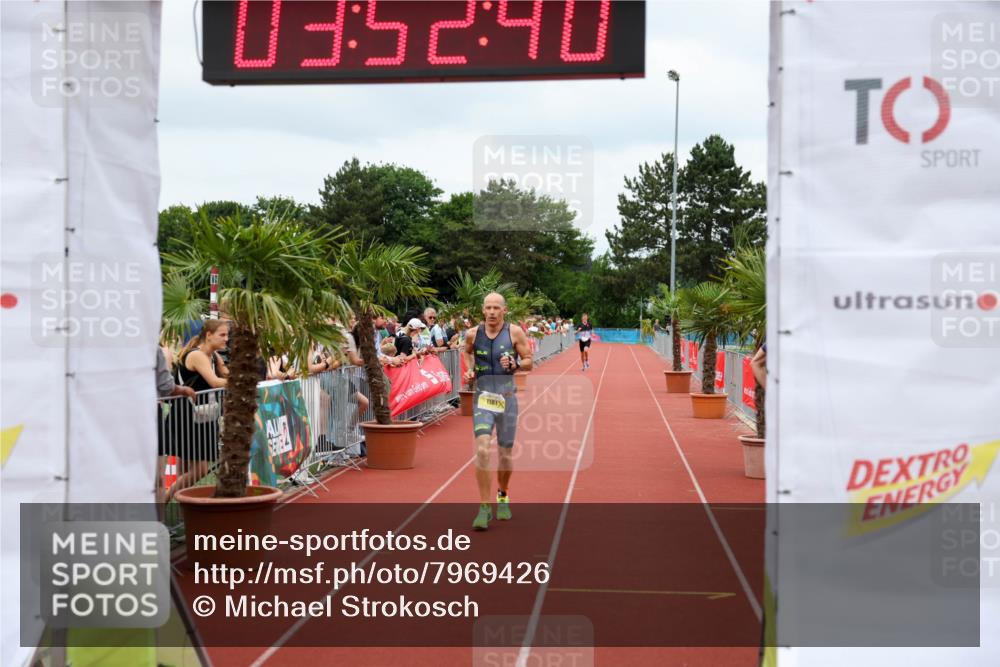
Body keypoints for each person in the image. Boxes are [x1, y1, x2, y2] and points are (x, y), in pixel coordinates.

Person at [463, 292, 534, 531]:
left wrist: (515, 364)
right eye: (488, 307)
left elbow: (529, 361)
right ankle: (484, 508)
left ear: (504, 310)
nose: (492, 312)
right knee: (482, 449)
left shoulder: (514, 332)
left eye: (496, 308)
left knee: (504, 454)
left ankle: (502, 495)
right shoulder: (473, 333)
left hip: (507, 399)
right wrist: (471, 370)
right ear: (482, 310)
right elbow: (467, 352)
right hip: (483, 399)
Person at [172, 319, 230, 499]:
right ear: (208, 335)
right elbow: (214, 382)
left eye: (227, 335)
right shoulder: (197, 355)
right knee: (201, 468)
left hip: (201, 415)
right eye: (222, 335)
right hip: (188, 414)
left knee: (185, 469)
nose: (227, 339)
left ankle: (178, 507)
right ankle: (165, 500)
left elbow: (225, 375)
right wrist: (243, 382)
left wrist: (220, 363)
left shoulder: (211, 355)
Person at [155, 347, 196, 504]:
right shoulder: (154, 350)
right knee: (156, 477)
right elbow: (167, 387)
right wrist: (184, 390)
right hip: (150, 415)